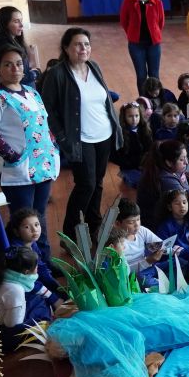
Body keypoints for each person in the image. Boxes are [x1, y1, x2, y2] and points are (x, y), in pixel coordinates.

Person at [40, 27, 122, 240]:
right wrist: (62, 136)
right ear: (66, 48)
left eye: (86, 44)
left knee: (98, 182)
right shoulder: (57, 74)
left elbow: (104, 99)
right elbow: (46, 109)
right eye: (77, 44)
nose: (83, 48)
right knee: (86, 185)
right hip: (80, 139)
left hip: (103, 134)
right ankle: (70, 235)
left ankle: (95, 225)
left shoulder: (94, 67)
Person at [0, 44, 60, 245]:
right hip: (18, 171)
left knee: (39, 218)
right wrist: (14, 157)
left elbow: (43, 124)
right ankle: (21, 260)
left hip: (43, 164)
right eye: (8, 64)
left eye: (19, 63)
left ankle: (43, 260)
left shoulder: (32, 92)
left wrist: (53, 147)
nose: (15, 68)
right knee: (23, 222)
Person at [0, 246, 59, 347]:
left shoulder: (3, 276)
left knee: (38, 300)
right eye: (36, 266)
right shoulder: (15, 290)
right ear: (27, 272)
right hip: (2, 334)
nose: (37, 268)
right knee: (43, 315)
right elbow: (11, 324)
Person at [118, 0, 165, 92]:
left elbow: (161, 22)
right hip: (136, 45)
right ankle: (143, 100)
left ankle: (156, 99)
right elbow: (124, 21)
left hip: (153, 44)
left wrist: (155, 34)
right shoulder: (128, 1)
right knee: (141, 75)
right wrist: (131, 33)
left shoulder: (157, 2)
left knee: (154, 74)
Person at [113, 198, 170, 288]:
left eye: (138, 219)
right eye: (131, 222)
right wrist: (147, 261)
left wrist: (165, 249)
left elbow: (163, 245)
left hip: (148, 268)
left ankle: (163, 282)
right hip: (134, 274)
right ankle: (164, 285)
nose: (137, 225)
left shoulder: (141, 231)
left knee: (177, 262)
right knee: (142, 279)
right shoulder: (118, 243)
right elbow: (125, 271)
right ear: (117, 223)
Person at [5, 208, 62, 297]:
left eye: (36, 224)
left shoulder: (32, 243)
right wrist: (54, 297)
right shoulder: (17, 253)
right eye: (27, 227)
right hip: (22, 291)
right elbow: (29, 282)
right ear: (16, 232)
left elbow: (42, 269)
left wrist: (59, 289)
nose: (34, 229)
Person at [137, 139, 189, 218]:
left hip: (174, 203)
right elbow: (185, 201)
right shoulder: (167, 180)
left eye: (186, 157)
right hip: (158, 219)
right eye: (182, 159)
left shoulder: (172, 169)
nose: (186, 162)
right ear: (169, 162)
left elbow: (185, 188)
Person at [156, 188, 189, 275]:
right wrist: (188, 254)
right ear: (169, 207)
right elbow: (164, 249)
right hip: (175, 260)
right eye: (177, 203)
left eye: (184, 202)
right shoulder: (165, 226)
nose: (182, 206)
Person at [0, 6, 39, 81]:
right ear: (5, 24)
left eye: (21, 21)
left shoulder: (13, 40)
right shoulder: (7, 49)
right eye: (16, 22)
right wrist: (36, 73)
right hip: (16, 87)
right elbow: (16, 76)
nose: (21, 25)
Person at [111, 101, 153, 188]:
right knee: (141, 185)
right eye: (130, 116)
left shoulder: (145, 129)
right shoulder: (120, 133)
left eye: (136, 116)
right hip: (129, 167)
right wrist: (128, 164)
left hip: (144, 165)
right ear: (124, 117)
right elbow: (114, 156)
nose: (134, 119)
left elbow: (150, 148)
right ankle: (126, 177)